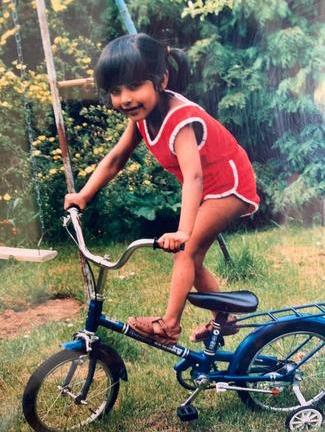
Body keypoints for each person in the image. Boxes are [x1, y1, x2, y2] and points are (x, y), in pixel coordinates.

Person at [64, 33, 260, 345]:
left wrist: (183, 233)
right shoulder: (142, 118)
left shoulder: (179, 118)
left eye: (134, 86)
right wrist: (84, 195)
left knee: (186, 250)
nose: (125, 98)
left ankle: (169, 326)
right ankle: (225, 318)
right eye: (116, 91)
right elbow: (116, 159)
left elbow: (194, 177)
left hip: (229, 185)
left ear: (161, 79)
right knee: (191, 259)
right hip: (209, 187)